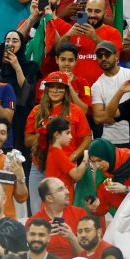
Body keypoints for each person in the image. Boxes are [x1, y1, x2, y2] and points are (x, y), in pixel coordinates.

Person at [24, 72, 91, 214]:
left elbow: (87, 138)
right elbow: (27, 140)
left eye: (59, 87)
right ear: (46, 89)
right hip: (39, 166)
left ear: (66, 90)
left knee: (63, 209)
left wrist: (73, 156)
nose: (55, 90)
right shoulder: (37, 111)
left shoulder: (76, 111)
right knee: (38, 211)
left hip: (64, 167)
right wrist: (43, 135)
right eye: (51, 87)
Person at [25, 178, 84, 259]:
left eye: (65, 187)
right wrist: (43, 237)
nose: (67, 192)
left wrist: (72, 238)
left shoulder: (79, 214)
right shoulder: (34, 222)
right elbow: (31, 257)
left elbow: (87, 256)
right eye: (61, 189)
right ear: (49, 198)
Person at [86, 139, 130, 216]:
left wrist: (126, 189)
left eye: (100, 160)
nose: (97, 166)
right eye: (93, 161)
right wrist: (94, 209)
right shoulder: (103, 173)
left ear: (108, 155)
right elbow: (103, 204)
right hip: (124, 217)